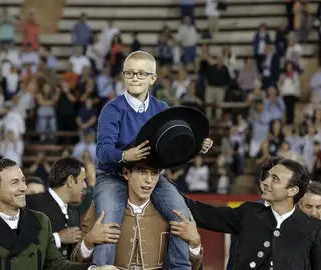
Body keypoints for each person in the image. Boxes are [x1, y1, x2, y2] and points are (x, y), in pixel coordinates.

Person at [94, 50, 213, 268]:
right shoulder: (112, 109)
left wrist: (196, 147)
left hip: (149, 174)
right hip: (112, 175)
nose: (135, 78)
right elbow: (102, 152)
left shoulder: (162, 109)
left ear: (153, 78)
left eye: (141, 74)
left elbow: (171, 153)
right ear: (123, 76)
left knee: (182, 215)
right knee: (108, 221)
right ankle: (103, 267)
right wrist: (124, 155)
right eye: (129, 73)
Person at [0, 158, 117, 270]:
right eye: (15, 182)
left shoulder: (40, 221)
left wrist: (94, 269)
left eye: (23, 180)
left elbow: (56, 265)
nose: (23, 187)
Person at [182, 158, 321, 270]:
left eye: (275, 179)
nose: (265, 182)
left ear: (292, 191)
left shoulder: (314, 228)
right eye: (268, 177)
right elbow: (204, 213)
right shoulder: (248, 213)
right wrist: (163, 185)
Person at [70, 160, 203, 269]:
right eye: (142, 172)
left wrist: (195, 244)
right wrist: (88, 241)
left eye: (154, 173)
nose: (149, 180)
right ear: (126, 173)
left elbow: (193, 266)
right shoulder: (101, 207)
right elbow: (75, 261)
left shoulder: (171, 211)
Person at [27, 157, 90, 260]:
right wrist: (57, 238)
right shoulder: (31, 203)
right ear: (70, 181)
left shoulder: (73, 212)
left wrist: (90, 241)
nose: (85, 185)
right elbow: (19, 244)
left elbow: (74, 257)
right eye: (83, 180)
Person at [226, 156, 283, 270]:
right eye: (266, 176)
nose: (269, 182)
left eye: (275, 178)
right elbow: (234, 262)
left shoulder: (303, 218)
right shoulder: (245, 215)